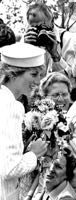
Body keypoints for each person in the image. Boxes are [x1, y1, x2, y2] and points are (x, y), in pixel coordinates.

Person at [0, 42, 48, 200]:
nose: (38, 81)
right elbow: (9, 169)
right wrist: (34, 154)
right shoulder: (11, 107)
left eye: (40, 75)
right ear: (13, 74)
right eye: (33, 75)